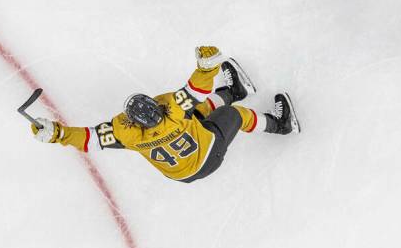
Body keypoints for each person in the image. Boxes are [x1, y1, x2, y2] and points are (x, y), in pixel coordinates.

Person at [30, 47, 299, 183]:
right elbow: (195, 89)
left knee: (195, 115)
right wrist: (206, 68)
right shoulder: (172, 110)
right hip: (207, 155)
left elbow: (88, 139)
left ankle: (233, 90)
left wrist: (56, 134)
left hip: (180, 174)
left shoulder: (127, 136)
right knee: (233, 116)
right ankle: (280, 124)